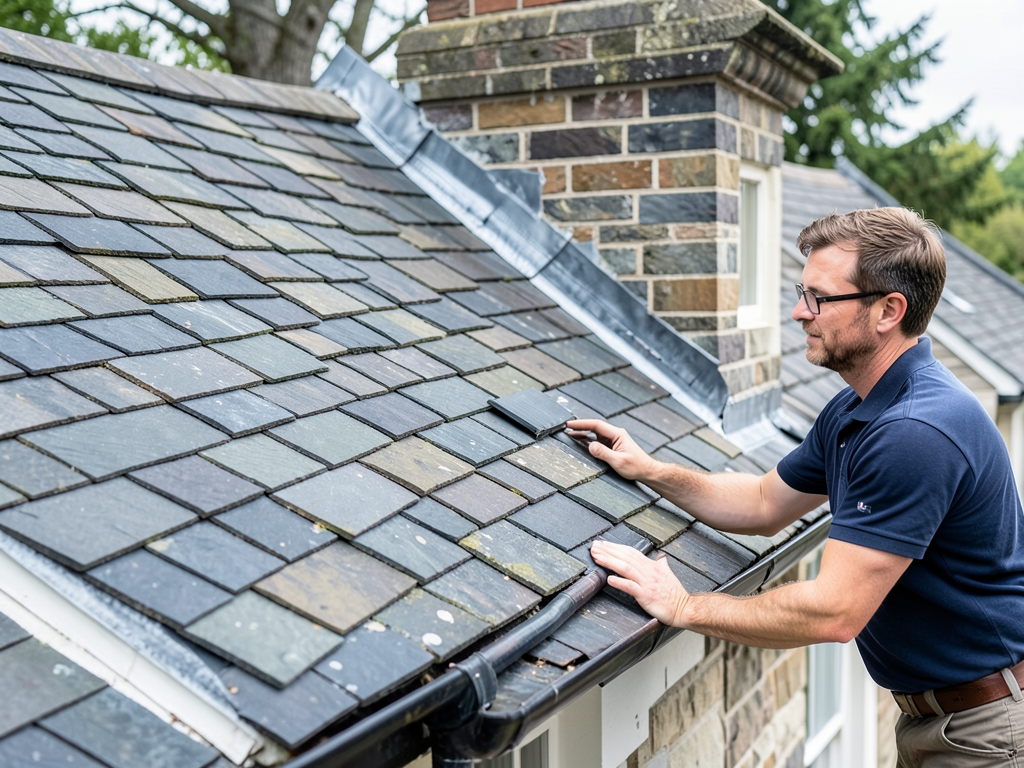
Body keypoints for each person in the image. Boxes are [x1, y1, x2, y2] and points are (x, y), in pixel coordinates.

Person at [571, 207, 1024, 767]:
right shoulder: (856, 408)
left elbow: (834, 611)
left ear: (889, 310)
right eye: (800, 292)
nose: (798, 311)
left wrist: (684, 605)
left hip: (988, 729)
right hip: (942, 720)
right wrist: (651, 470)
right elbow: (764, 503)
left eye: (820, 298)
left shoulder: (915, 431)